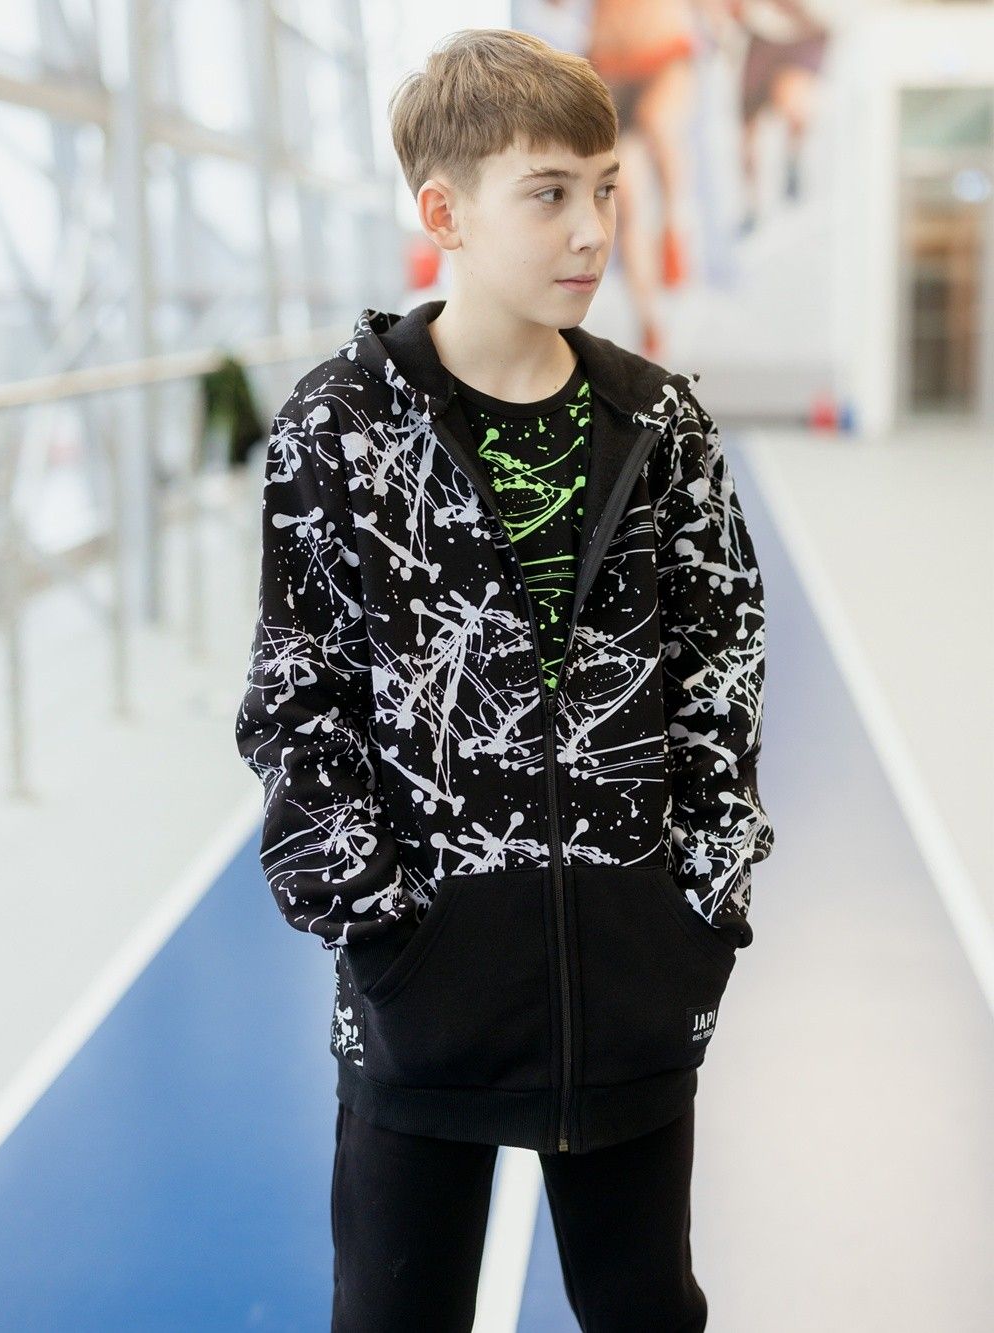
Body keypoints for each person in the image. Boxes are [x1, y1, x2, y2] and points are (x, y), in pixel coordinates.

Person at [235, 27, 774, 1331]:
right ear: (445, 214)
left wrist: (700, 905)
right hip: (421, 1002)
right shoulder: (339, 428)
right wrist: (382, 927)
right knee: (393, 1313)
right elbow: (298, 695)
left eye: (605, 188)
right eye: (548, 193)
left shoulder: (661, 426)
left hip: (632, 993)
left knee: (646, 1308)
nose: (592, 229)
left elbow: (722, 668)